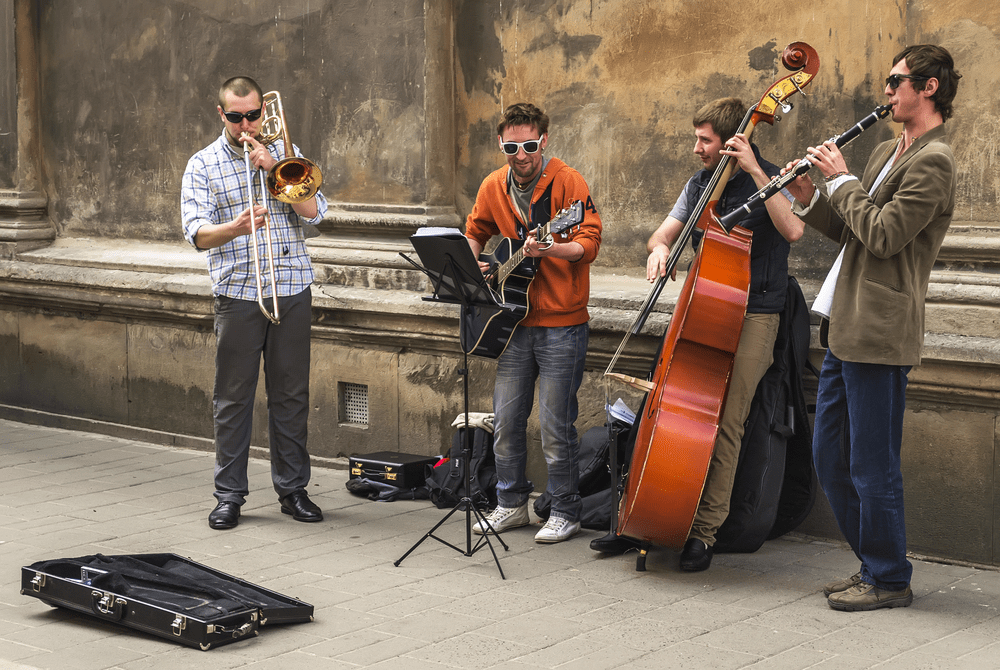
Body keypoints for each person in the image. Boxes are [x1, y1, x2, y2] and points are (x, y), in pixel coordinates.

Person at [783, 45, 960, 611]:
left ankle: (888, 577)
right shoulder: (889, 148)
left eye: (895, 81)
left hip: (881, 331)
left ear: (928, 87)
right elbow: (855, 229)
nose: (886, 91)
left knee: (872, 462)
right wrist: (813, 196)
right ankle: (874, 566)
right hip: (846, 324)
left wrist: (841, 179)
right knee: (829, 455)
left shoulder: (935, 160)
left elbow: (885, 237)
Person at [592, 98, 804, 569]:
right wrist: (658, 249)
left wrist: (753, 169)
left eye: (704, 140)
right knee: (667, 408)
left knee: (726, 422)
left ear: (732, 141)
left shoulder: (772, 176)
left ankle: (704, 533)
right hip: (702, 312)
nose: (695, 148)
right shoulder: (698, 185)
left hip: (756, 314)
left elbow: (792, 230)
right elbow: (661, 233)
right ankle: (643, 516)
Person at [181, 76, 328, 530]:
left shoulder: (285, 151)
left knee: (291, 395)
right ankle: (229, 495)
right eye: (235, 116)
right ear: (220, 114)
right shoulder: (203, 164)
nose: (246, 124)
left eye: (253, 115)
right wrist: (236, 228)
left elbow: (317, 215)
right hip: (239, 292)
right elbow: (196, 233)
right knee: (233, 399)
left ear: (264, 111)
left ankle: (293, 490)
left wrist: (273, 167)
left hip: (292, 286)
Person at [464, 102, 602, 543]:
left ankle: (565, 510)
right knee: (505, 420)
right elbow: (474, 230)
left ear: (543, 141)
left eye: (528, 145)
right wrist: (478, 271)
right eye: (511, 146)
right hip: (513, 320)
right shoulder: (493, 185)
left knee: (555, 424)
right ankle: (510, 504)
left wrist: (551, 249)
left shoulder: (568, 182)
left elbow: (589, 242)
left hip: (562, 322)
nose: (520, 154)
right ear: (501, 144)